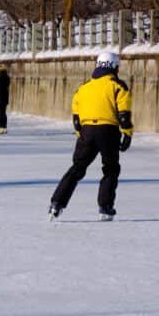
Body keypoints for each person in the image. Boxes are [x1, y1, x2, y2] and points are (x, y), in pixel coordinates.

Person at [49, 52, 134, 222]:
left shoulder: (84, 87)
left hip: (87, 131)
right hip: (108, 130)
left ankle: (56, 203)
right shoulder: (118, 86)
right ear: (115, 67)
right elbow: (123, 114)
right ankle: (105, 207)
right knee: (110, 168)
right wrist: (127, 133)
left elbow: (76, 117)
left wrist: (82, 135)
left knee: (77, 168)